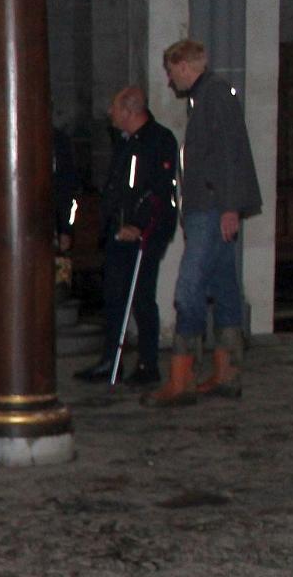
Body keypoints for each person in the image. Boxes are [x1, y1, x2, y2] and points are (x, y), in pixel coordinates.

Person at [146, 38, 261, 406]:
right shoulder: (209, 96)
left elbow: (229, 152)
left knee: (188, 288)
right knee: (224, 284)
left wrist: (228, 207)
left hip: (211, 208)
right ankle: (227, 372)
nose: (169, 80)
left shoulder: (213, 96)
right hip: (210, 206)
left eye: (170, 71)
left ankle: (182, 379)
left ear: (183, 66)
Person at [77, 86, 177, 387]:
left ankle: (148, 363)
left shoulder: (158, 140)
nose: (110, 113)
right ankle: (112, 361)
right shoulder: (126, 142)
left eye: (115, 107)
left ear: (130, 110)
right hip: (118, 232)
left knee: (142, 296)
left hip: (144, 233)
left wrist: (138, 224)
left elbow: (158, 190)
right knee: (114, 296)